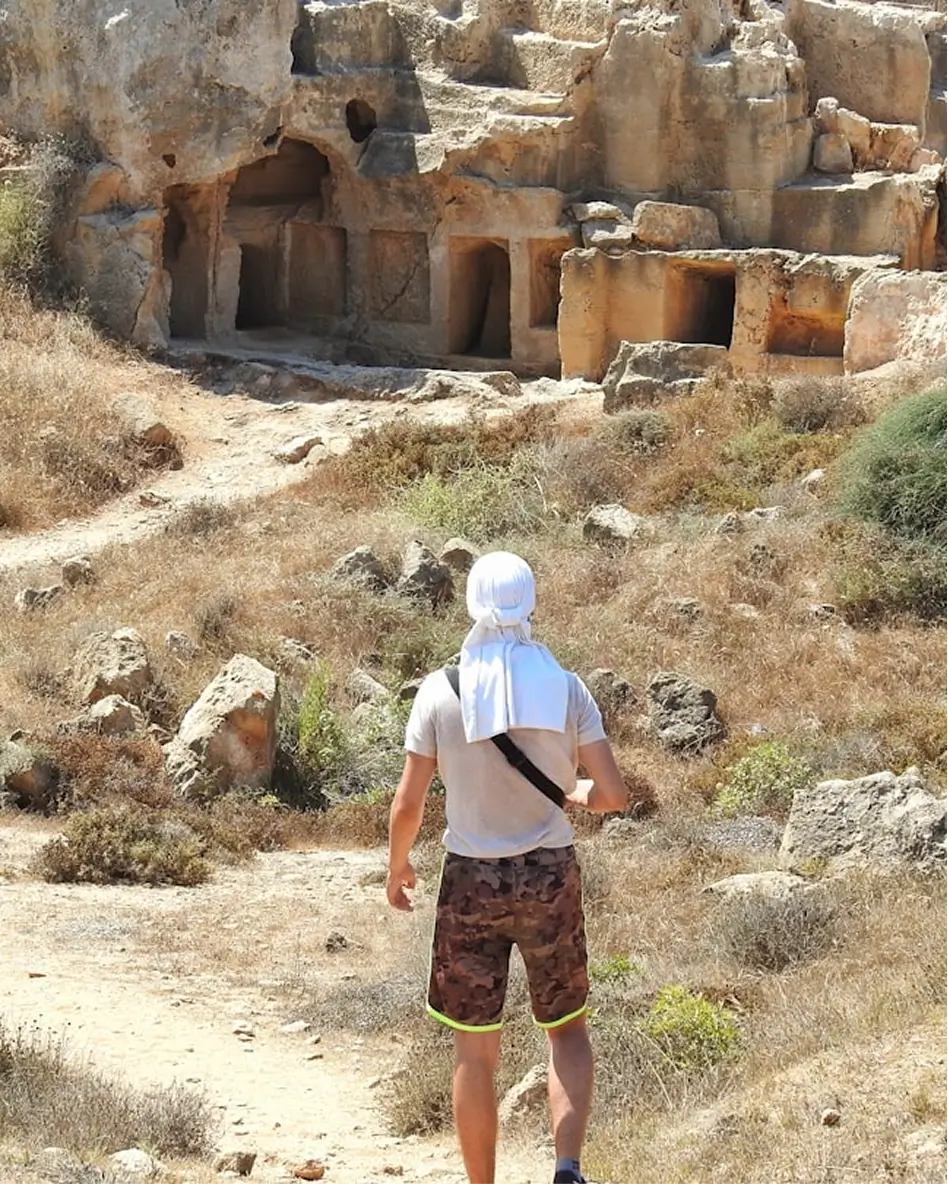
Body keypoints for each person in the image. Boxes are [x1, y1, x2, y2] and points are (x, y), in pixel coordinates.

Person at [386, 550, 629, 1184]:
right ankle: (567, 1167)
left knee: (475, 1049)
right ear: (531, 603)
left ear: (470, 603)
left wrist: (397, 865)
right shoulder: (566, 687)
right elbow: (612, 796)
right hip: (550, 871)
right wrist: (574, 793)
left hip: (470, 878)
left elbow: (409, 801)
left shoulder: (439, 691)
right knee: (566, 1029)